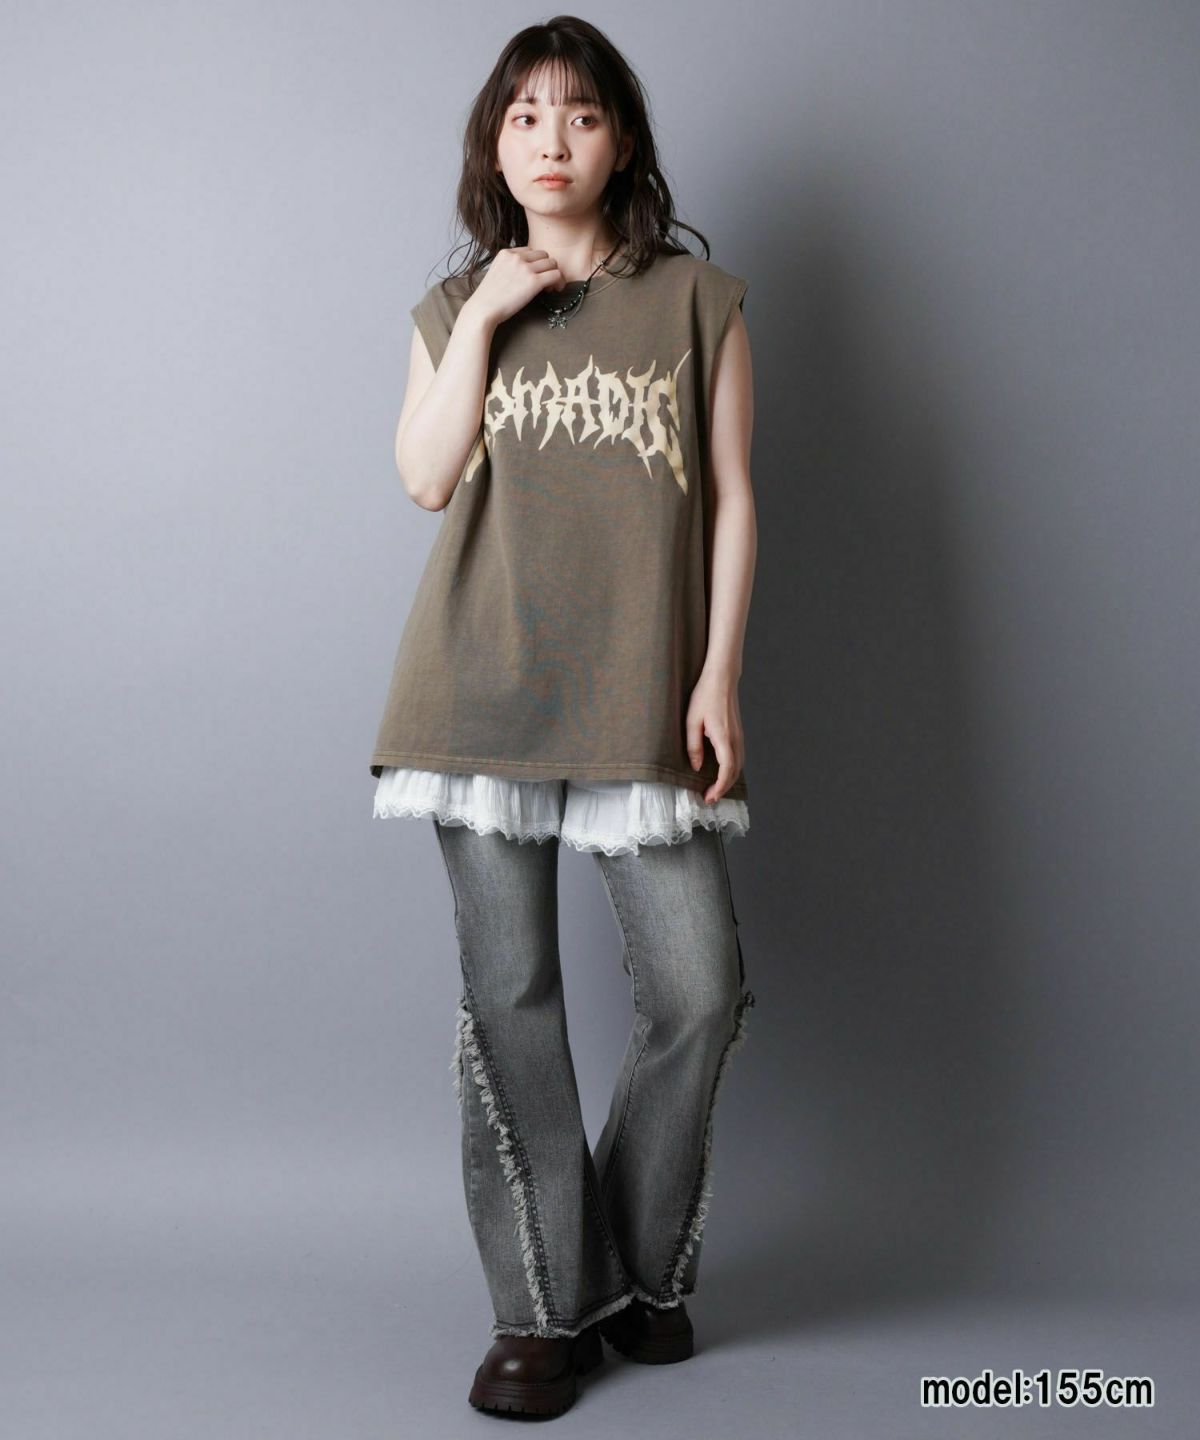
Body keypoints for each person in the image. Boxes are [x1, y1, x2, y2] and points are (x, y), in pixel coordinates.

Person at [367, 16, 759, 1419]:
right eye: (525, 115)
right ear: (495, 142)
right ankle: (540, 1307)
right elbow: (426, 478)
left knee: (700, 992)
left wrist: (716, 675)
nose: (551, 140)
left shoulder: (700, 302)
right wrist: (485, 312)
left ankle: (634, 1270)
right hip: (478, 693)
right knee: (513, 1004)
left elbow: (735, 501)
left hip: (641, 693)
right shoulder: (452, 309)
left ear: (623, 141)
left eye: (581, 115)